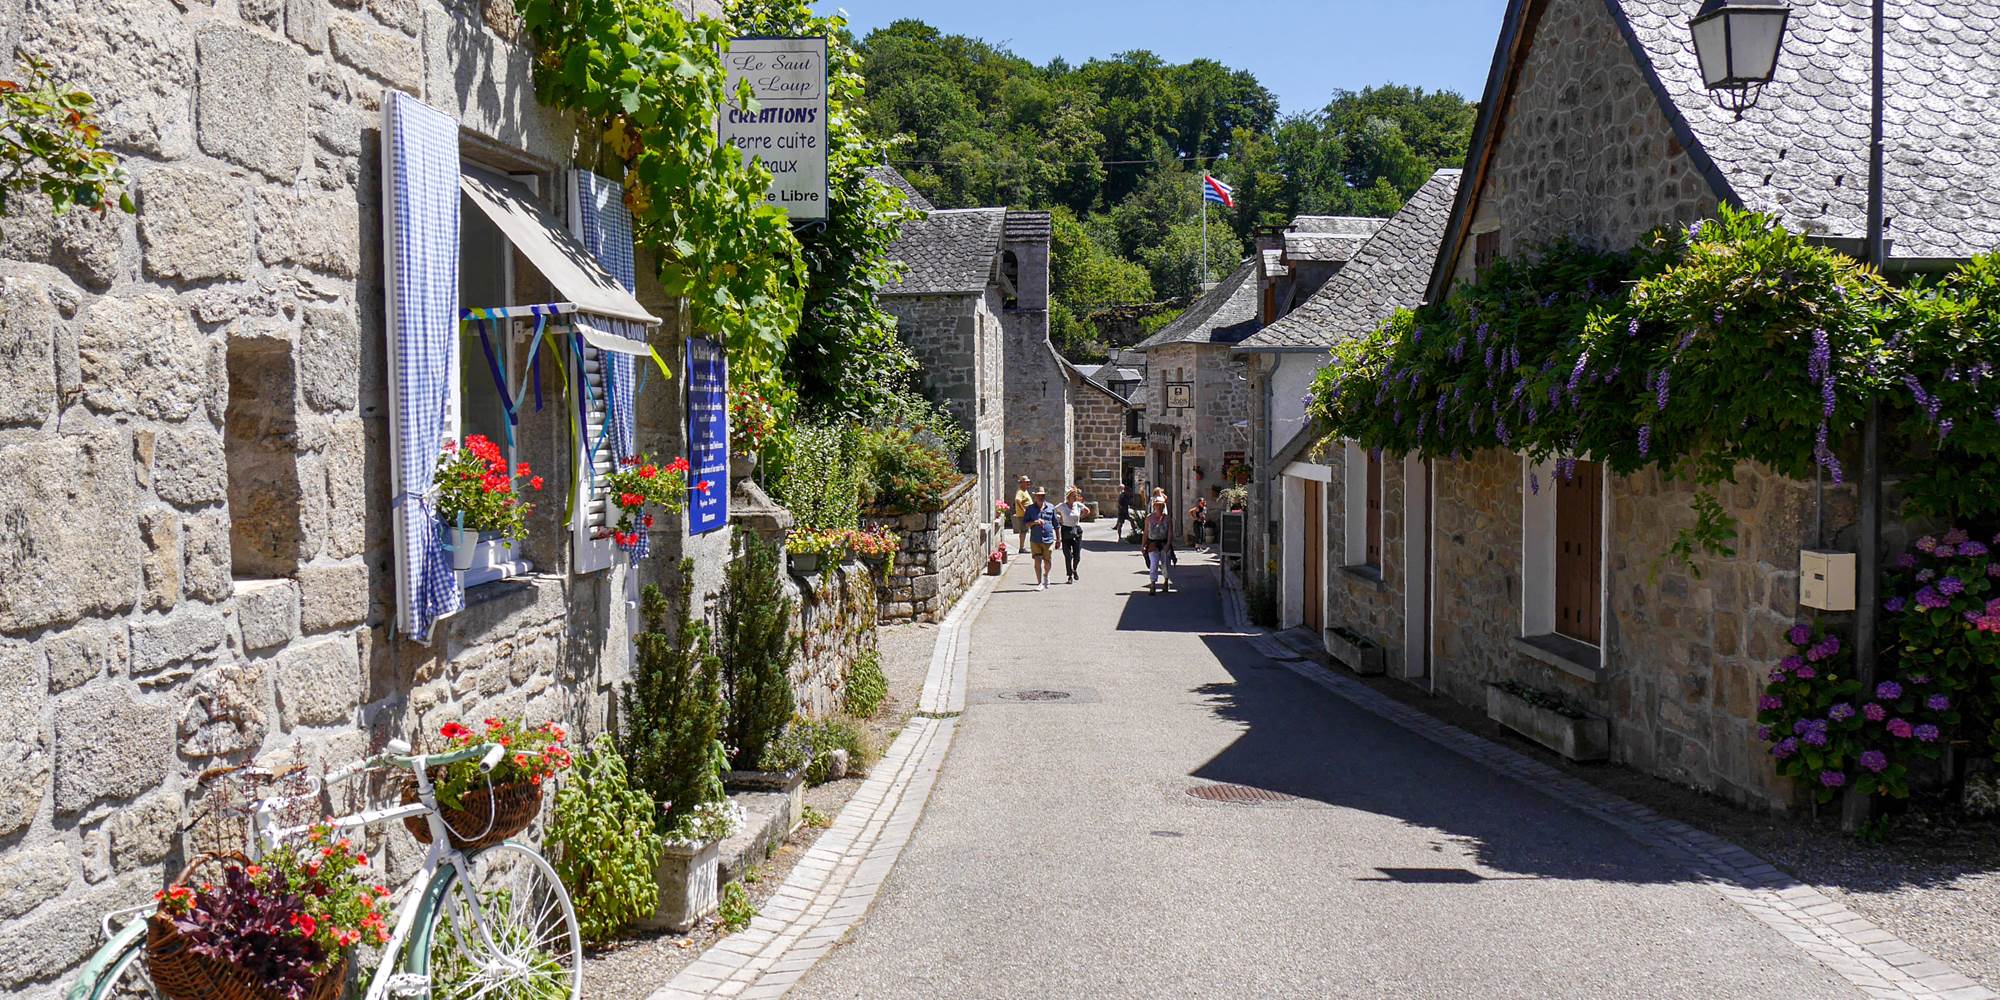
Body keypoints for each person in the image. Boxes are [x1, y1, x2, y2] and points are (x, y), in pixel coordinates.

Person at [1023, 487, 1059, 590]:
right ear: (1035, 497)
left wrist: (1058, 539)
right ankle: (1039, 583)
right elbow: (1026, 524)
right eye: (1038, 495)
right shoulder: (1030, 509)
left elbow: (1056, 525)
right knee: (1037, 560)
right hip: (1035, 539)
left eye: (1042, 495)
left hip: (1048, 538)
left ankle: (1046, 575)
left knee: (1047, 561)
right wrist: (1035, 522)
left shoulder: (1051, 507)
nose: (1040, 497)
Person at [1141, 495, 1175, 594]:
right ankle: (1153, 584)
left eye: (1161, 505)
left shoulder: (1167, 519)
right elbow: (1146, 533)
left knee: (1165, 565)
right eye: (1157, 505)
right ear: (1154, 506)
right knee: (1154, 563)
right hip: (1152, 544)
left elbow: (1170, 533)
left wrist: (1168, 544)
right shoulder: (1149, 518)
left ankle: (1166, 581)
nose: (1159, 507)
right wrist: (1143, 545)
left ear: (1163, 506)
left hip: (1164, 543)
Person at [1057, 486, 1087, 583]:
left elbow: (1087, 511)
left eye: (1076, 496)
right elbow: (1053, 511)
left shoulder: (1078, 505)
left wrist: (1080, 517)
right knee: (1068, 555)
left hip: (1076, 529)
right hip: (1066, 529)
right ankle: (1069, 575)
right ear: (1068, 497)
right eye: (1073, 496)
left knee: (1077, 555)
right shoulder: (1062, 506)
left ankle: (1074, 569)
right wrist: (1060, 518)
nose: (1075, 497)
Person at [1013, 475, 1034, 554]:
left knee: (1025, 530)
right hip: (1023, 515)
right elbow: (1017, 500)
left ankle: (1027, 546)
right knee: (1023, 531)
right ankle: (1021, 548)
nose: (1028, 483)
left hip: (1027, 515)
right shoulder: (1020, 491)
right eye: (1026, 482)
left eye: (1028, 482)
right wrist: (1023, 509)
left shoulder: (1024, 491)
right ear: (1021, 483)